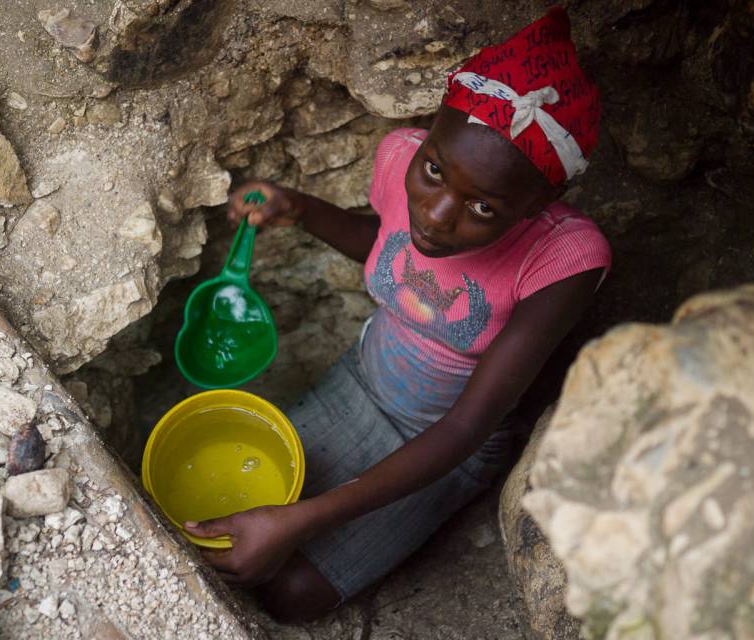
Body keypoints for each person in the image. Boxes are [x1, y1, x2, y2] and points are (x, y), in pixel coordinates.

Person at [184, 6, 610, 622]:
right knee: (213, 506)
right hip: (359, 381)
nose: (435, 216)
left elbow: (466, 427)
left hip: (447, 441)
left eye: (483, 208)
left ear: (541, 204)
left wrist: (300, 519)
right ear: (428, 137)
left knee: (289, 593)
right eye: (435, 171)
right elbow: (388, 249)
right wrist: (298, 207)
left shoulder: (563, 260)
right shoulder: (398, 157)